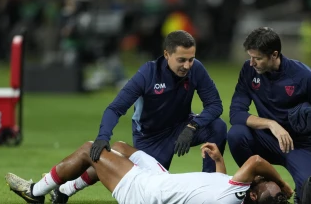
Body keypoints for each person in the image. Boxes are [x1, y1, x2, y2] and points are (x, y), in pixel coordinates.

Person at [49, 30, 227, 202]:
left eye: (191, 59)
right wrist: (103, 136)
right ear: (166, 54)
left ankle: (208, 188)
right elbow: (115, 108)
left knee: (217, 127)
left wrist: (192, 126)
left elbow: (215, 105)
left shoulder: (196, 69)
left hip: (181, 126)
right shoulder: (147, 73)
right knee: (147, 187)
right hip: (150, 138)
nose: (188, 65)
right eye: (182, 60)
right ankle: (67, 189)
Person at [227, 27, 311, 203]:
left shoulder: (304, 76)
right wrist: (272, 124)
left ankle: (302, 186)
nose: (252, 63)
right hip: (269, 139)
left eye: (257, 58)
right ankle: (260, 184)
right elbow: (236, 113)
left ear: (274, 55)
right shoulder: (249, 70)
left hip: (302, 146)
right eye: (250, 57)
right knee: (237, 134)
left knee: (310, 194)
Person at [5, 142, 294, 204]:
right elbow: (218, 186)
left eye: (266, 184)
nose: (265, 179)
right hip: (159, 181)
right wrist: (219, 161)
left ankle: (35, 193)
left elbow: (256, 160)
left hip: (143, 191)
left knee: (89, 151)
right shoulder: (236, 195)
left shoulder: (238, 192)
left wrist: (282, 182)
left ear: (253, 194)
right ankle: (64, 192)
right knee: (119, 149)